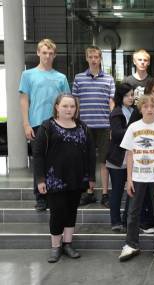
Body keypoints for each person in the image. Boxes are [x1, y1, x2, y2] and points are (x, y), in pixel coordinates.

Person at [33, 94, 96, 263]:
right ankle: (56, 247)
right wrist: (40, 179)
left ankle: (68, 244)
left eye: (72, 106)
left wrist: (91, 177)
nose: (69, 109)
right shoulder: (47, 127)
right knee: (57, 213)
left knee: (71, 212)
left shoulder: (83, 127)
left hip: (77, 178)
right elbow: (38, 155)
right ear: (57, 107)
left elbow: (91, 154)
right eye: (65, 106)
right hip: (54, 180)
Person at [118, 94, 154, 263]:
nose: (149, 109)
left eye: (152, 106)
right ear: (140, 108)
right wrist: (129, 179)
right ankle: (131, 244)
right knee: (133, 212)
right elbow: (129, 154)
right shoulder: (133, 127)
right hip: (137, 177)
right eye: (146, 106)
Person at [19, 38, 71, 212]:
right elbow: (24, 100)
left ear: (54, 55)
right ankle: (40, 196)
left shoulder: (61, 77)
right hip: (36, 124)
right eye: (44, 52)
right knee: (40, 160)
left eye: (50, 53)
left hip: (58, 124)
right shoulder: (28, 75)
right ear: (38, 53)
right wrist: (26, 124)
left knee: (57, 160)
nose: (47, 56)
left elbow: (68, 102)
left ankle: (55, 192)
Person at [72, 46, 115, 208]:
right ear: (86, 58)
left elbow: (111, 103)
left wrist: (113, 124)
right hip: (84, 126)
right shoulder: (78, 78)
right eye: (91, 56)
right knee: (87, 161)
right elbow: (75, 103)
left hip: (104, 126)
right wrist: (75, 125)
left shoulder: (109, 79)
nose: (94, 59)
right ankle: (89, 192)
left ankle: (104, 193)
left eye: (96, 56)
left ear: (100, 58)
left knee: (104, 161)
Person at [128, 79, 154, 234]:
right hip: (139, 168)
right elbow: (129, 148)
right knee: (136, 205)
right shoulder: (136, 120)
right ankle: (136, 233)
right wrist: (129, 177)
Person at [106, 84, 134, 232]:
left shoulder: (134, 111)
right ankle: (115, 221)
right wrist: (134, 131)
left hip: (132, 159)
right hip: (117, 159)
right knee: (117, 192)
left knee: (131, 192)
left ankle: (126, 220)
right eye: (128, 95)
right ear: (121, 96)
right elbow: (117, 134)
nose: (131, 98)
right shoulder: (116, 112)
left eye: (132, 95)